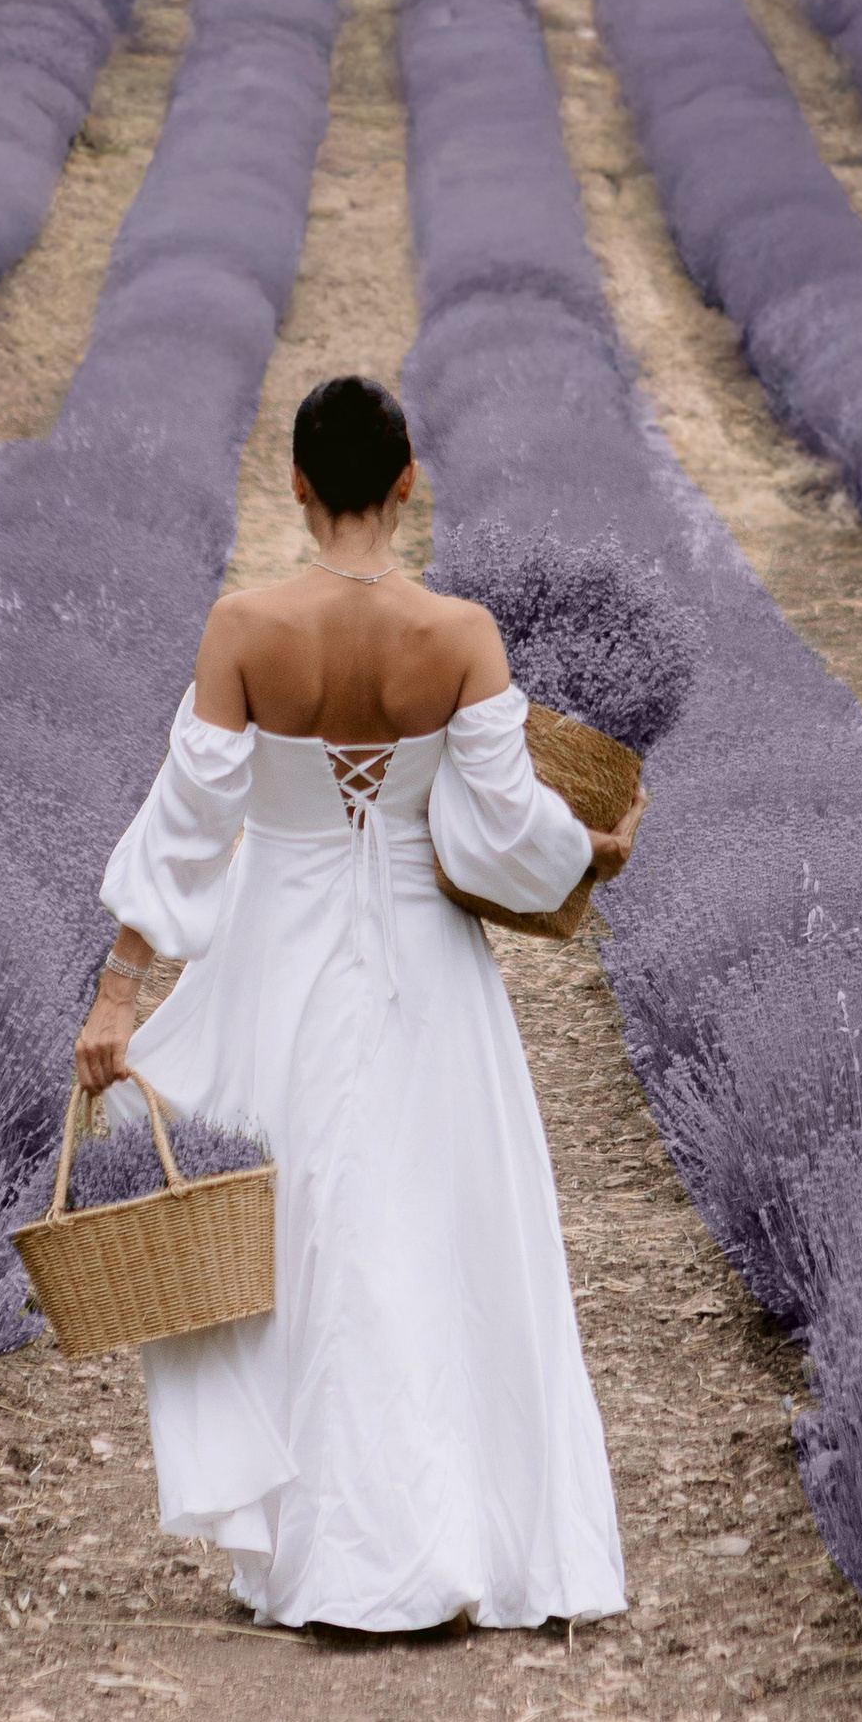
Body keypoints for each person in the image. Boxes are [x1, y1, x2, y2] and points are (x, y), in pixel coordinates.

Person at [72, 370, 642, 1635]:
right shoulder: (460, 635)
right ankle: (449, 1532)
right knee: (440, 1227)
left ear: (292, 483)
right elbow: (500, 833)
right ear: (406, 481)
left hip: (279, 956)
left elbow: (186, 825)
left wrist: (120, 995)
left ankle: (321, 1549)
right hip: (426, 964)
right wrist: (588, 854)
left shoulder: (244, 628)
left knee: (300, 1232)